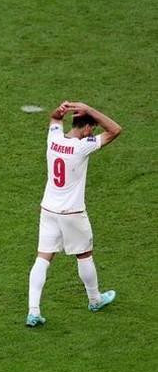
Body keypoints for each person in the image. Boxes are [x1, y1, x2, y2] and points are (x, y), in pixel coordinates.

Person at [26, 101, 122, 327]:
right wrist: (89, 109)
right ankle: (95, 300)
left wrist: (58, 112)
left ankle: (33, 311)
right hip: (73, 212)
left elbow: (54, 119)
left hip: (48, 209)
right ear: (88, 129)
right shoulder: (83, 146)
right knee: (84, 255)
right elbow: (115, 130)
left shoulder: (54, 138)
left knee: (43, 257)